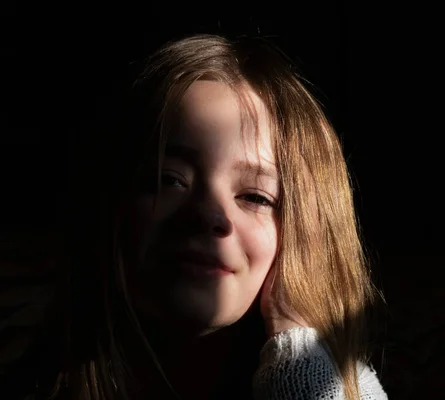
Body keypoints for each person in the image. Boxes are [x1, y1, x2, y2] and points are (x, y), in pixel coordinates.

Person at [1, 34, 387, 399]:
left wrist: (302, 352)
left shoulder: (334, 384)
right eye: (169, 179)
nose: (209, 214)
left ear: (307, 234)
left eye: (255, 196)